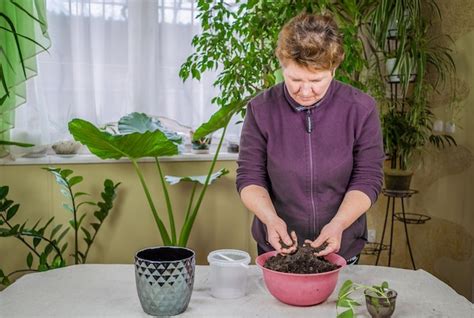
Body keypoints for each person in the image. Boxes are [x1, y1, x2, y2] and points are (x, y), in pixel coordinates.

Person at [236, 12, 385, 265]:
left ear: (334, 69)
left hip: (341, 248)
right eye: (294, 79)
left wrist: (339, 224)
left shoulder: (361, 109)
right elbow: (249, 177)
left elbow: (368, 177)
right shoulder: (261, 109)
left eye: (316, 80)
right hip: (276, 249)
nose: (305, 91)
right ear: (282, 66)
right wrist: (270, 220)